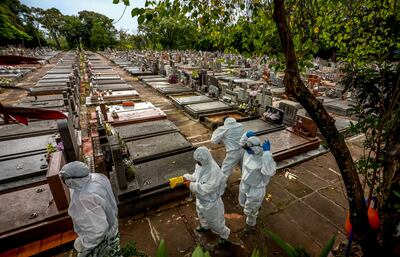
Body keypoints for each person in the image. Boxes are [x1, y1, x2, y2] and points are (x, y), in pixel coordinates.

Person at [59, 161, 122, 257]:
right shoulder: (96, 177)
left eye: (64, 179)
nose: (63, 182)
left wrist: (87, 246)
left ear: (72, 180)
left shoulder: (85, 198)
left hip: (103, 238)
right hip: (113, 223)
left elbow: (98, 230)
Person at [183, 147, 230, 244]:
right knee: (201, 215)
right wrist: (188, 177)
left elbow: (208, 188)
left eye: (199, 161)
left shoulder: (214, 171)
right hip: (201, 199)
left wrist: (191, 185)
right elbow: (196, 175)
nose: (198, 163)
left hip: (211, 203)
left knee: (216, 222)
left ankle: (224, 235)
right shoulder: (200, 165)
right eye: (197, 161)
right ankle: (205, 226)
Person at [239, 131, 276, 233]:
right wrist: (246, 135)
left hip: (256, 188)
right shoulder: (250, 152)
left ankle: (250, 225)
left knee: (250, 209)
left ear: (255, 148)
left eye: (249, 149)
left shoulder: (264, 158)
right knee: (243, 201)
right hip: (246, 183)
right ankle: (254, 208)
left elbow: (270, 171)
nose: (247, 151)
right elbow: (242, 144)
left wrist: (267, 154)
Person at [210, 117, 244, 183]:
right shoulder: (240, 125)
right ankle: (245, 181)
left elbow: (214, 140)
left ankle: (220, 186)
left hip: (233, 152)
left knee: (225, 170)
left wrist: (221, 139)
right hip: (244, 150)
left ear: (225, 122)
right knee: (244, 167)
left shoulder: (224, 128)